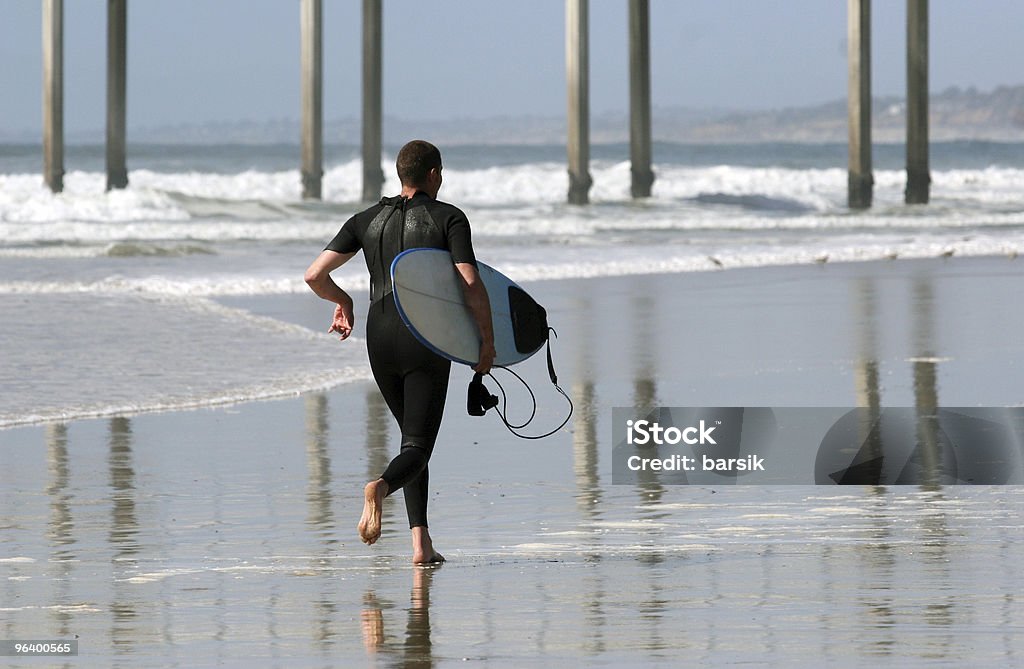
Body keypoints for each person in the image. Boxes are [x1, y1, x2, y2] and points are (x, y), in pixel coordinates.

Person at [305, 140, 495, 564]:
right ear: (433, 175)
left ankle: (421, 546)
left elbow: (315, 274)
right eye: (440, 175)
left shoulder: (365, 219)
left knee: (411, 442)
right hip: (424, 337)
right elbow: (469, 283)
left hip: (379, 337)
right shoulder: (449, 218)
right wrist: (486, 339)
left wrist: (345, 301)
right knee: (418, 447)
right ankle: (380, 488)